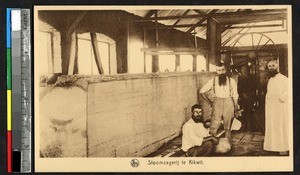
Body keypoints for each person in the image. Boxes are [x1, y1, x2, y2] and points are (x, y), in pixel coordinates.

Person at [199, 63, 239, 142]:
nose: (221, 72)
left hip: (229, 104)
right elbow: (201, 91)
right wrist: (209, 102)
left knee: (228, 127)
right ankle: (211, 143)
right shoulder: (212, 81)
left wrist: (236, 110)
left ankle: (227, 143)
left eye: (223, 70)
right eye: (219, 70)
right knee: (214, 126)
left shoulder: (232, 81)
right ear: (217, 71)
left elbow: (235, 97)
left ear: (225, 70)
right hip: (217, 104)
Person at [263, 60, 289, 155]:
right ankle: (273, 146)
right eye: (269, 66)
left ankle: (283, 147)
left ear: (277, 67)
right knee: (272, 126)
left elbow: (289, 90)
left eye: (273, 66)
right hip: (271, 108)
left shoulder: (284, 78)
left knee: (280, 126)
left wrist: (282, 98)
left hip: (280, 107)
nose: (271, 68)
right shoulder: (271, 79)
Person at [237, 64, 257, 131]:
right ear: (241, 70)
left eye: (246, 69)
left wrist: (249, 95)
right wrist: (242, 94)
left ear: (248, 70)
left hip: (250, 98)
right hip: (242, 99)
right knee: (243, 113)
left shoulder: (252, 78)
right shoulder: (239, 78)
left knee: (251, 112)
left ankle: (252, 127)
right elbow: (238, 88)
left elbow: (254, 88)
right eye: (243, 69)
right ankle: (244, 127)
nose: (244, 71)